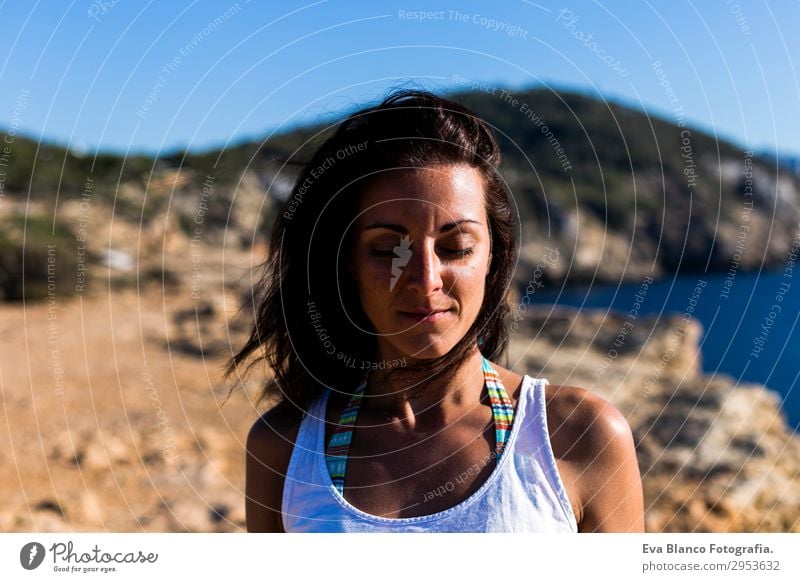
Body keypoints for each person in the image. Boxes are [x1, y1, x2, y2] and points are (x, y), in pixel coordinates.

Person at [228, 89, 644, 532]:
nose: (425, 278)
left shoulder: (580, 437)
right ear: (347, 262)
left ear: (492, 258)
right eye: (389, 249)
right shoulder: (285, 449)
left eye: (456, 247)